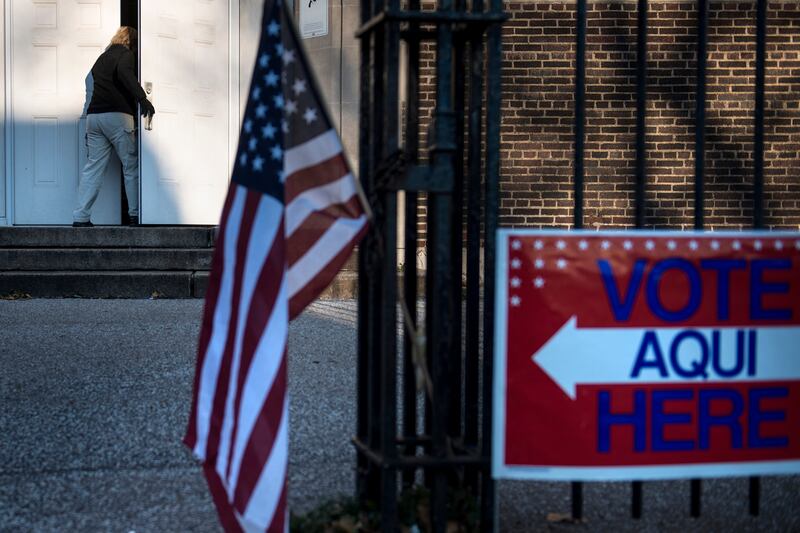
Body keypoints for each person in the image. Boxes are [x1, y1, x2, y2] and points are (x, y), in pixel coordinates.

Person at [73, 26, 155, 227]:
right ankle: (135, 215)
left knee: (93, 168)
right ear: (132, 42)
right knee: (131, 166)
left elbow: (90, 82)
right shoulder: (125, 55)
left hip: (94, 118)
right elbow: (124, 74)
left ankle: (80, 217)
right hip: (117, 117)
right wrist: (143, 99)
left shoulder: (102, 58)